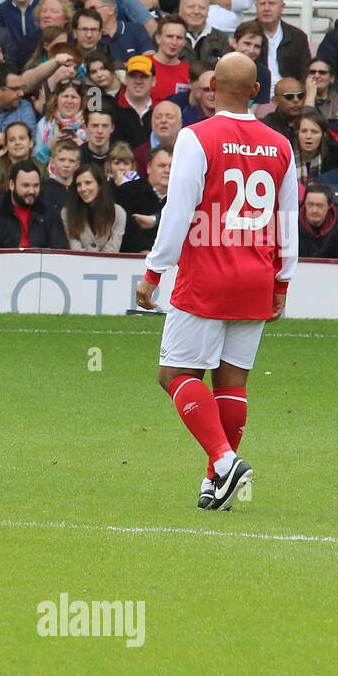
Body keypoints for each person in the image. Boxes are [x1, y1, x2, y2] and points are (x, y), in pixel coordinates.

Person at [135, 52, 297, 511]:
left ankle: (224, 461)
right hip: (256, 277)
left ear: (211, 90)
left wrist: (154, 270)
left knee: (174, 374)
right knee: (232, 382)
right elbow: (289, 221)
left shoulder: (196, 137)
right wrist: (282, 282)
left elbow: (178, 210)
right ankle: (214, 482)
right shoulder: (279, 145)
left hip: (207, 275)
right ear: (255, 92)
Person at [0, 157, 68, 248]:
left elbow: (59, 250)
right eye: (25, 185)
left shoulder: (49, 211)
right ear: (11, 185)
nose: (31, 191)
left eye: (36, 185)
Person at [61, 162, 123, 251]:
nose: (83, 188)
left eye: (88, 183)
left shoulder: (118, 213)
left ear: (100, 185)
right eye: (78, 184)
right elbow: (75, 248)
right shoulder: (67, 213)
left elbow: (112, 250)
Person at [298, 181, 338, 258]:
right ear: (304, 203)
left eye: (320, 206)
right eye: (310, 205)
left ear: (329, 205)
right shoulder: (292, 225)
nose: (314, 210)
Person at [293, 109, 338, 185]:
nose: (308, 136)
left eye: (314, 132)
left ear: (323, 135)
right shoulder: (288, 158)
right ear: (298, 133)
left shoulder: (334, 160)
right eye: (304, 131)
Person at [260, 77, 303, 145]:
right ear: (275, 100)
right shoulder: (265, 126)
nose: (296, 100)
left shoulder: (309, 123)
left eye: (300, 96)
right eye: (289, 96)